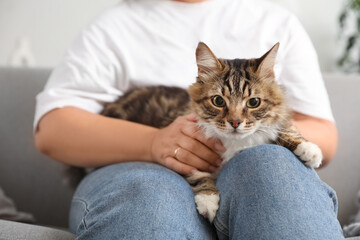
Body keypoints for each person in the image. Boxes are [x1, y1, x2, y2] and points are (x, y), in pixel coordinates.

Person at [34, 0, 343, 239]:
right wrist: (154, 142)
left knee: (272, 170)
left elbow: (323, 138)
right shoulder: (114, 24)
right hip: (141, 165)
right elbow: (52, 130)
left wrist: (260, 137)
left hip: (259, 155)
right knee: (151, 198)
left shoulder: (277, 20)